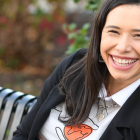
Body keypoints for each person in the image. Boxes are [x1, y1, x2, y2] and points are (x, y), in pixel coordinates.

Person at [12, 0, 140, 139]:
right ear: (100, 34)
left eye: (138, 35)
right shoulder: (75, 64)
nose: (122, 47)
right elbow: (24, 133)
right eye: (114, 31)